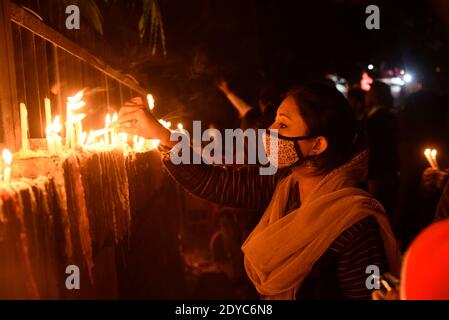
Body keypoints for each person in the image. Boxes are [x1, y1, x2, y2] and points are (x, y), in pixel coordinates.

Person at [116, 83, 400, 300]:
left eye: (284, 125)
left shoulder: (354, 225)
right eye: (275, 120)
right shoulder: (282, 183)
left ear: (317, 145)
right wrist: (162, 137)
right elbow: (217, 184)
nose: (270, 131)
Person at [364, 81, 400, 221]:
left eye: (369, 92)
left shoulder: (380, 118)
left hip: (379, 170)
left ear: (375, 95)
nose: (365, 96)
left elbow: (378, 147)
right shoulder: (387, 116)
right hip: (385, 170)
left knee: (378, 210)